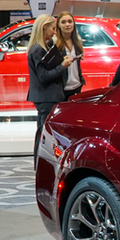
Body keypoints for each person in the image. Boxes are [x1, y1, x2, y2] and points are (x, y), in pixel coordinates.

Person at [27, 14, 73, 157]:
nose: (54, 32)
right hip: (46, 97)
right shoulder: (37, 50)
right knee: (44, 135)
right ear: (44, 27)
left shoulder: (42, 48)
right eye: (53, 28)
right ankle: (39, 164)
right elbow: (44, 76)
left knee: (44, 133)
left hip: (47, 96)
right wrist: (62, 66)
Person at [54, 10, 85, 101]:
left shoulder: (77, 39)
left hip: (77, 85)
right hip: (62, 87)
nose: (67, 25)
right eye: (63, 22)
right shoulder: (55, 41)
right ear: (58, 25)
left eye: (70, 22)